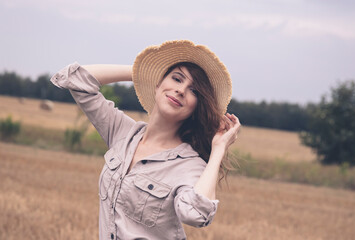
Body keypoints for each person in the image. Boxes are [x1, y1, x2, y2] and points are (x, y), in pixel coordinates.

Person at [50, 40, 240, 240]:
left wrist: (218, 149)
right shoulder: (123, 133)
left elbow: (195, 215)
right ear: (158, 84)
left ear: (196, 107)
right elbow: (76, 79)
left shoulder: (189, 165)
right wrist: (143, 71)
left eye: (194, 91)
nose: (181, 90)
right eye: (176, 79)